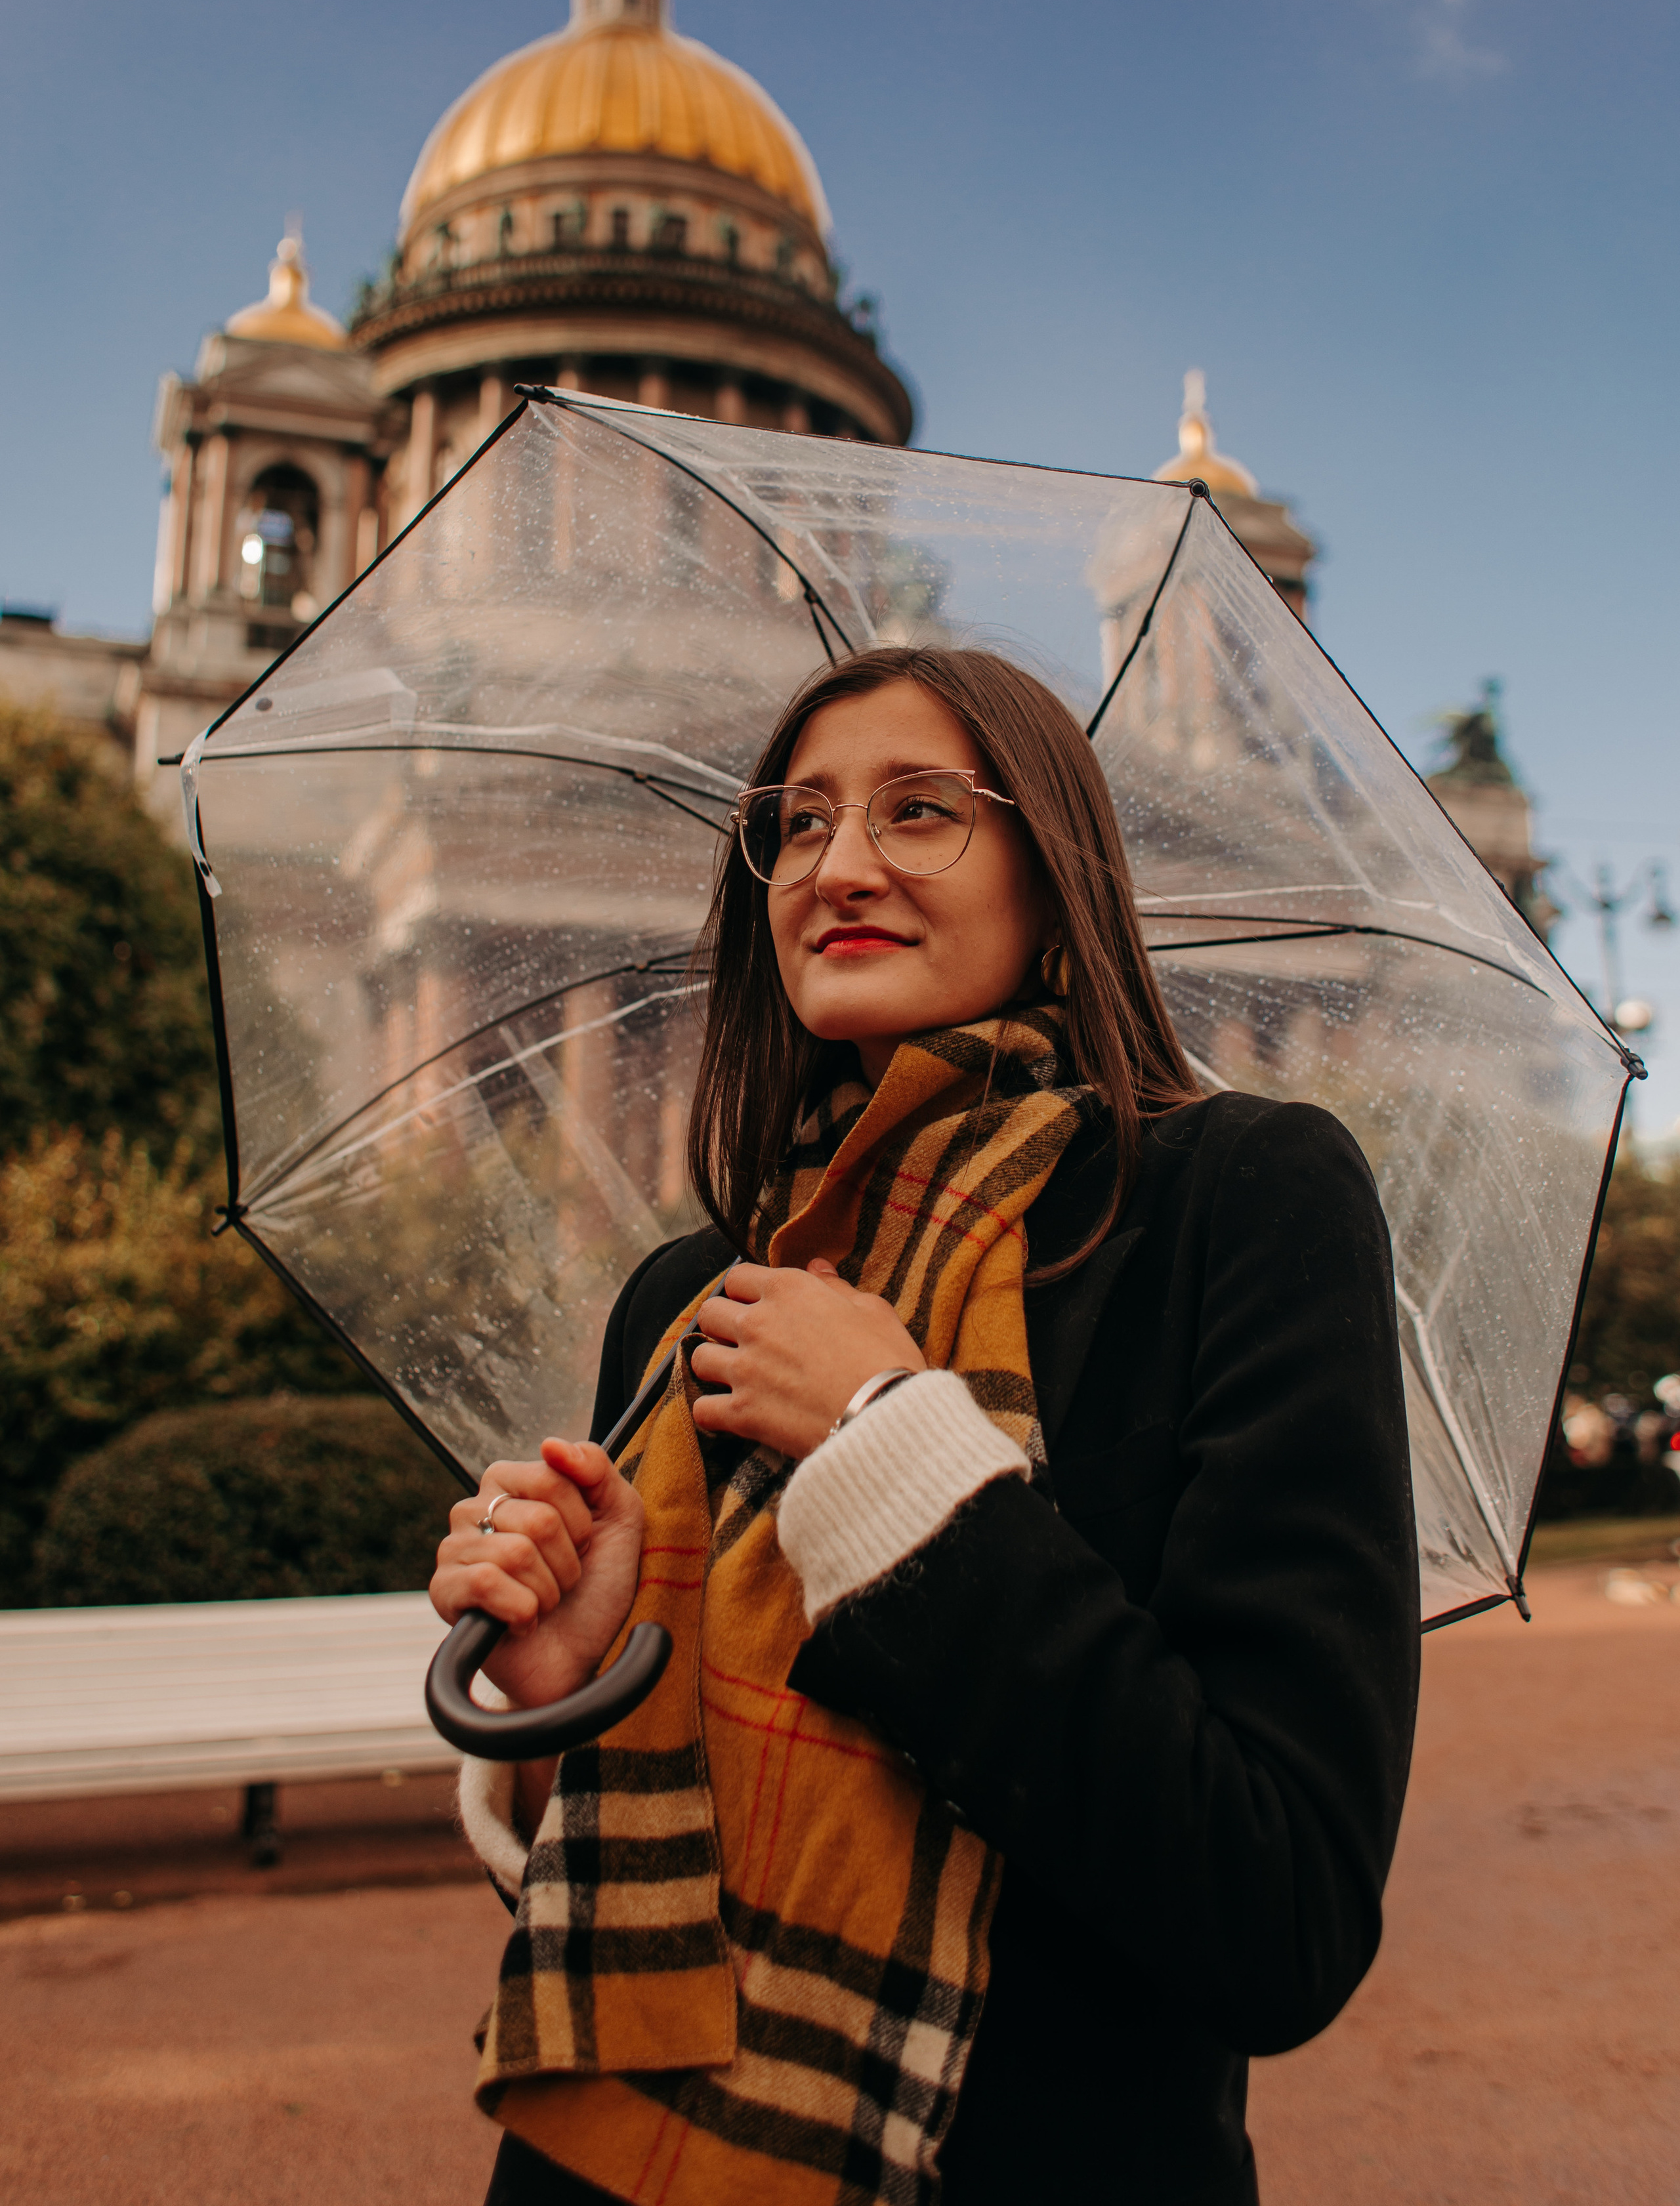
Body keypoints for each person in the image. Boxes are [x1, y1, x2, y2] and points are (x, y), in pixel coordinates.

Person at [431, 646, 1419, 2206]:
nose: (839, 866)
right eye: (799, 820)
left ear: (1054, 869)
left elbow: (1273, 1908)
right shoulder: (693, 1293)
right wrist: (569, 1705)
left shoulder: (1236, 1204)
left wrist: (887, 1446)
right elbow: (626, 1892)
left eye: (920, 811)